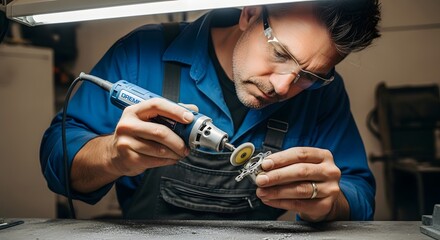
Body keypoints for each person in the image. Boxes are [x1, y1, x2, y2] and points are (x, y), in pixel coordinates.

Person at [40, 0, 381, 222]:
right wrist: (112, 155)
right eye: (280, 55)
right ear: (249, 12)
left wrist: (331, 202)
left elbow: (360, 192)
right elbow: (58, 159)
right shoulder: (143, 52)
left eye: (308, 77)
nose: (282, 88)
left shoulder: (325, 94)